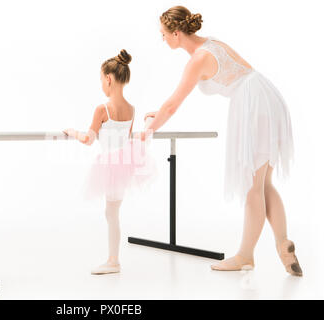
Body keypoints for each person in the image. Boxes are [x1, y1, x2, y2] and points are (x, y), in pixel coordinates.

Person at [137, 5, 302, 276]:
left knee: (252, 185)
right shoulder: (210, 43)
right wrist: (157, 116)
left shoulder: (198, 59)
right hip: (265, 96)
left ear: (176, 33)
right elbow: (170, 105)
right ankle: (283, 243)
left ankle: (246, 255)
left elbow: (172, 105)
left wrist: (148, 131)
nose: (163, 39)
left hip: (254, 104)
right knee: (263, 182)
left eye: (163, 34)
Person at [64, 50, 157, 275]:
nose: (101, 85)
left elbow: (88, 139)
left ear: (108, 79)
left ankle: (113, 261)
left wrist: (72, 131)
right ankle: (113, 259)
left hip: (109, 166)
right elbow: (127, 138)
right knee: (112, 212)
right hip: (126, 163)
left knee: (111, 213)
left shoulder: (102, 109)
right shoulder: (132, 109)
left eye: (101, 80)